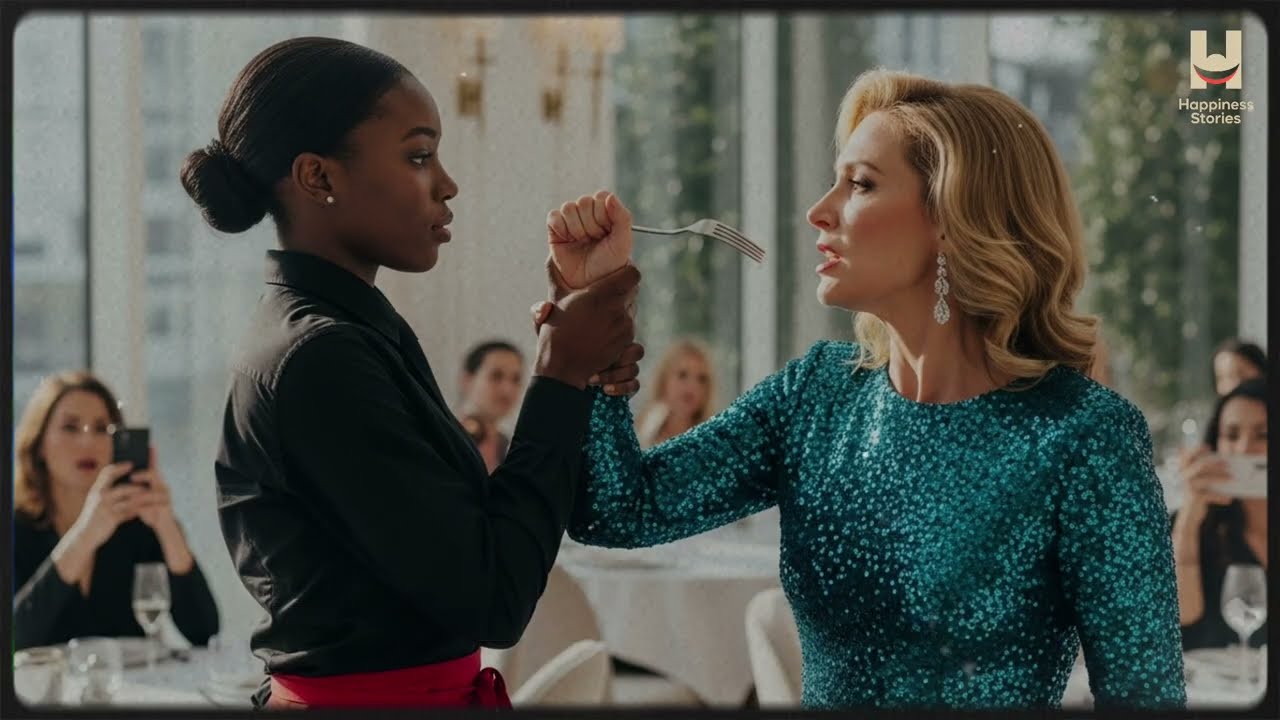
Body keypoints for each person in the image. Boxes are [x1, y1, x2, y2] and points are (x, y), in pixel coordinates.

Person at [537, 70, 1185, 709]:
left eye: (861, 184)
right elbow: (616, 511)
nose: (819, 211)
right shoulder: (816, 394)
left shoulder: (1084, 437)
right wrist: (593, 314)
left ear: (952, 218)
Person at [181, 37, 640, 709]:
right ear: (319, 178)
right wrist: (559, 373)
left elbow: (478, 540)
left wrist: (574, 368)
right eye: (419, 156)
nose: (447, 184)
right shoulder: (321, 357)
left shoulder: (346, 333)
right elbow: (495, 598)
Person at [13, 372, 219, 650]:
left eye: (101, 429)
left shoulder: (136, 523)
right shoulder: (16, 528)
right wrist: (85, 535)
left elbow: (204, 631)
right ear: (39, 444)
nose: (88, 441)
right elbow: (15, 638)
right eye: (71, 427)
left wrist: (167, 526)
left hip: (131, 678)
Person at [1171, 377, 1267, 650]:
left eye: (1264, 435)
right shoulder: (1195, 526)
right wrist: (1189, 520)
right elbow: (1181, 620)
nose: (1244, 449)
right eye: (1231, 436)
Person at [634, 339, 717, 448]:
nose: (692, 386)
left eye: (701, 379)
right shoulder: (640, 432)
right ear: (664, 380)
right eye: (682, 375)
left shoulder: (713, 441)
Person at [456, 340, 525, 472]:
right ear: (467, 380)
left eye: (516, 379)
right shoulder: (447, 440)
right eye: (496, 376)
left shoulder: (509, 448)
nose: (507, 390)